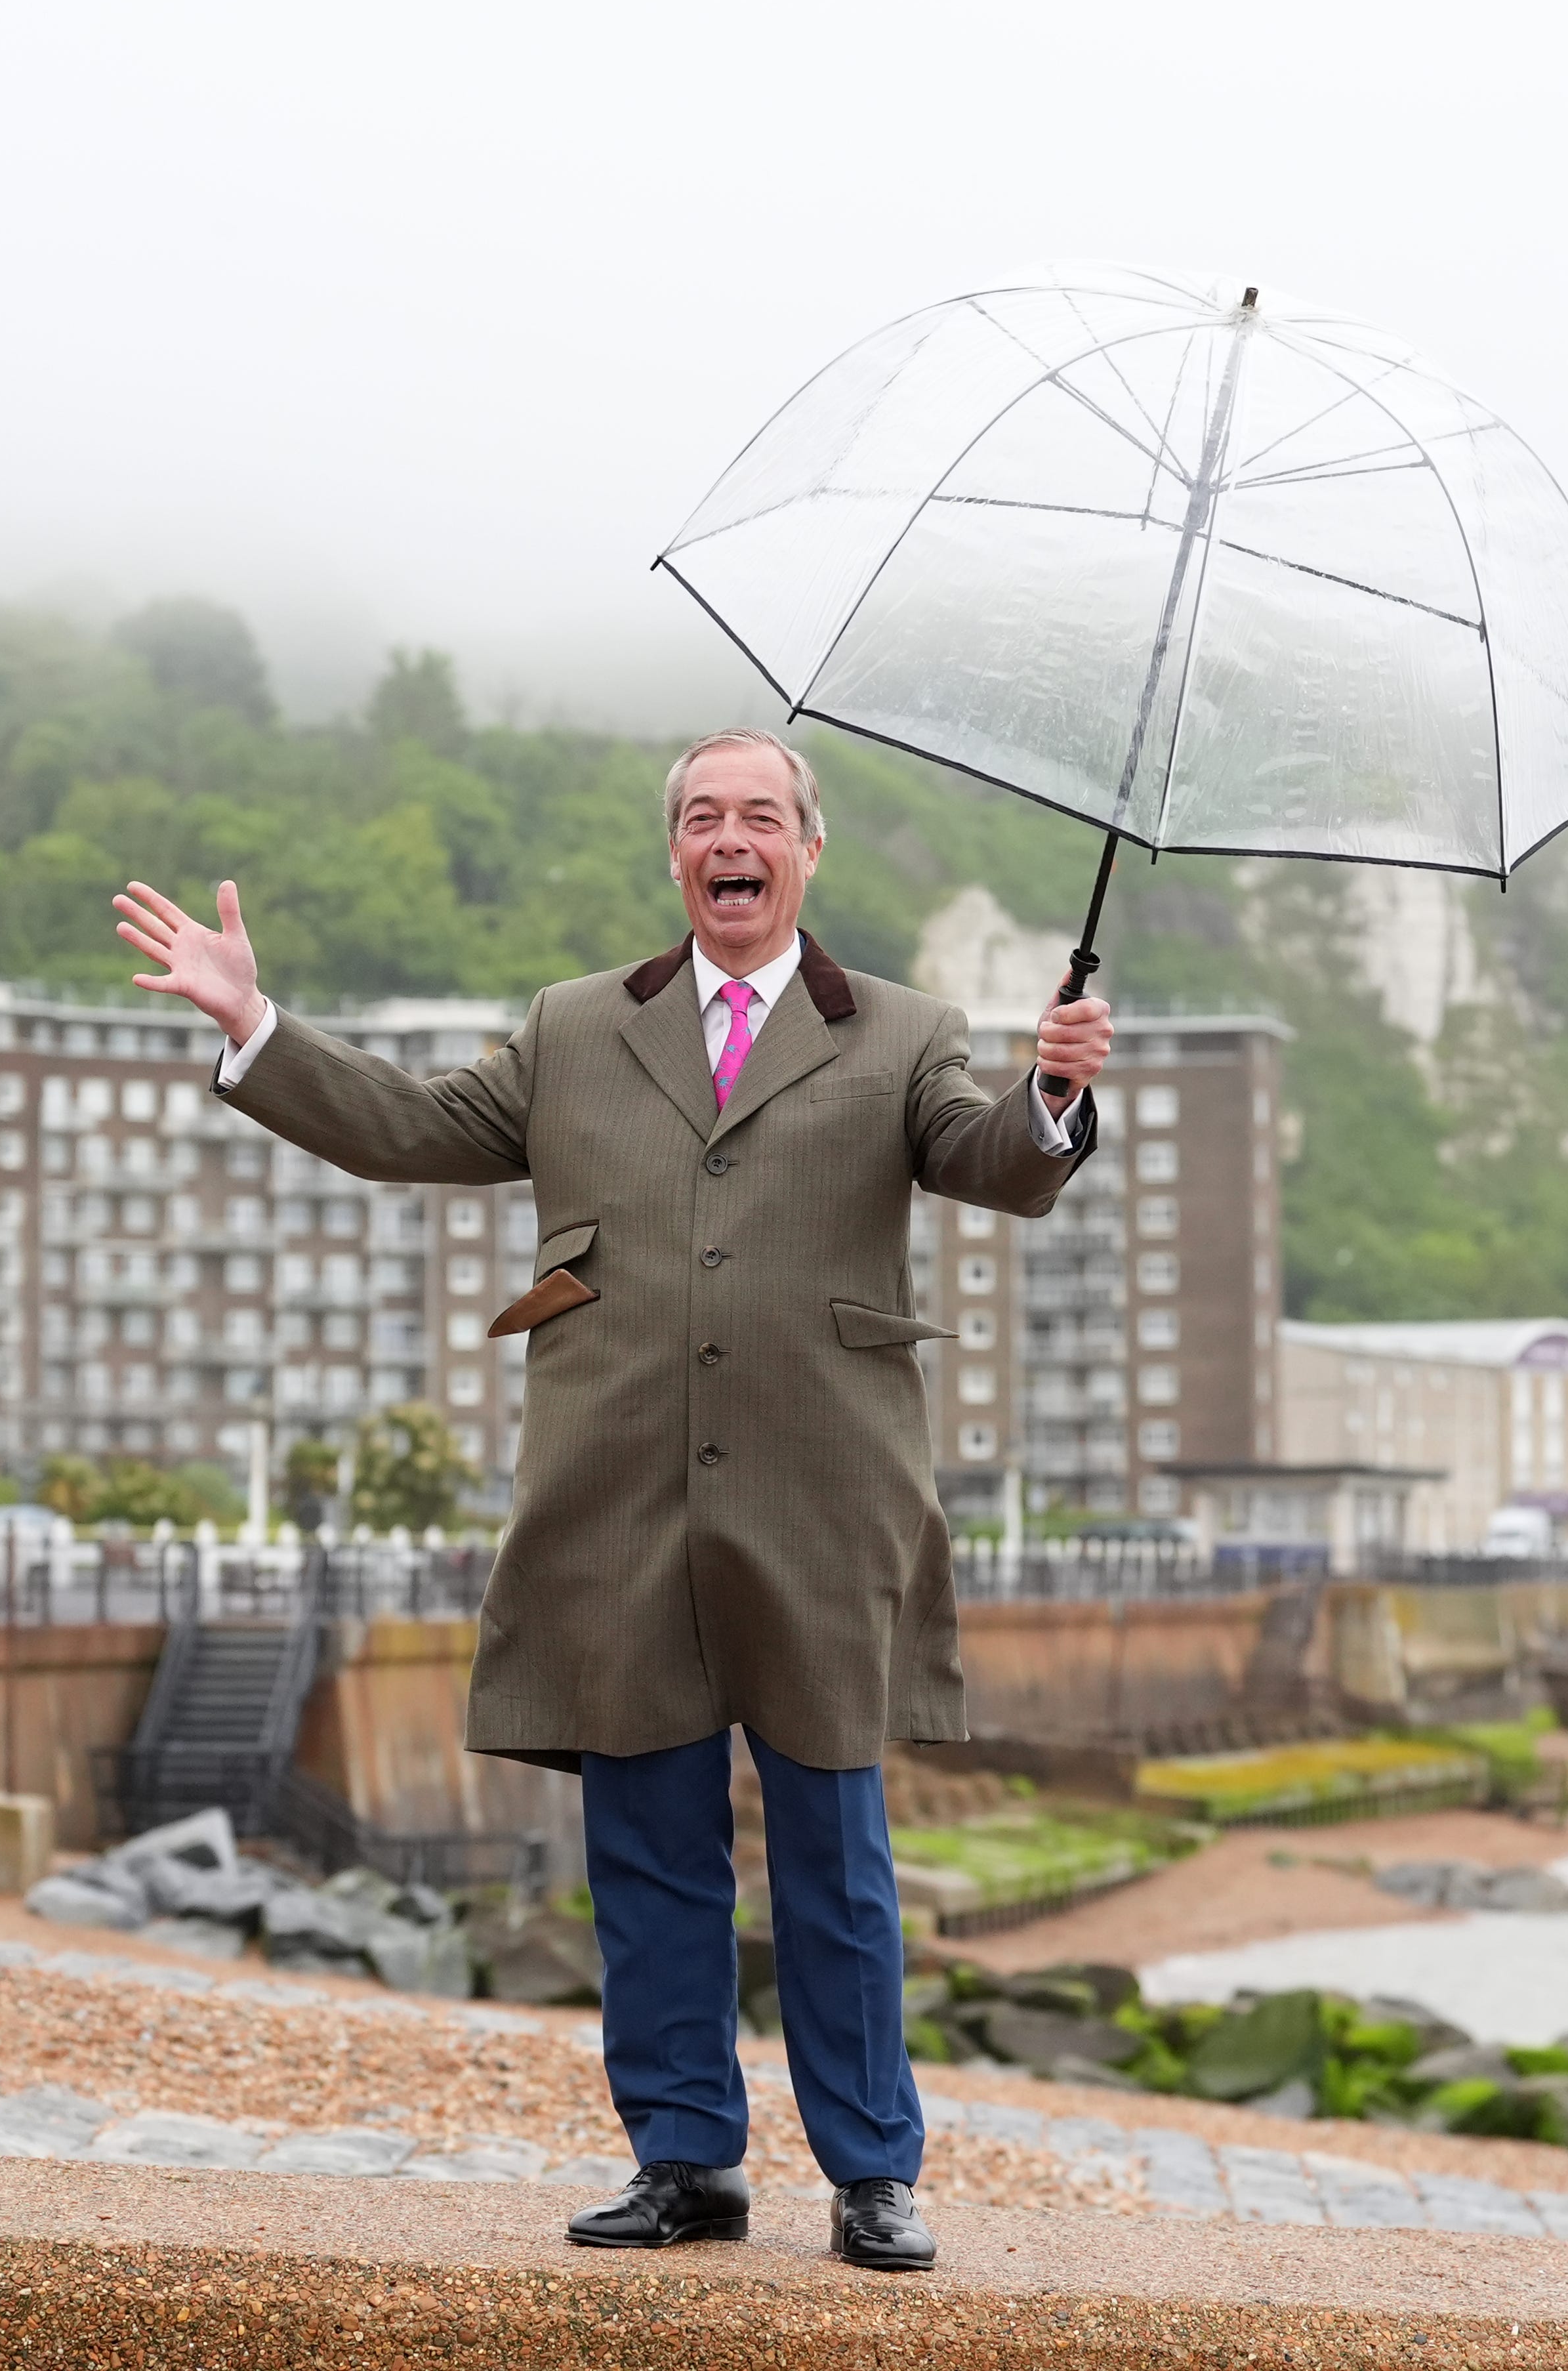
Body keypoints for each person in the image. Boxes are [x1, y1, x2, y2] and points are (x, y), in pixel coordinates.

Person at [114, 728, 1113, 2272]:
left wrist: (1049, 1096)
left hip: (821, 1499)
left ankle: (872, 2174)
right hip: (615, 1494)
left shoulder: (905, 1030)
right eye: (704, 817)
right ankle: (684, 2160)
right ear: (675, 856)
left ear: (807, 851)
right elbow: (411, 1128)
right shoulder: (575, 1027)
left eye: (762, 818)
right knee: (648, 1855)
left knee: (835, 1860)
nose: (733, 839)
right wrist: (257, 1023)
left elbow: (989, 1159)